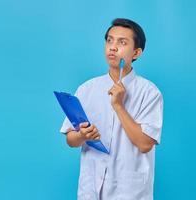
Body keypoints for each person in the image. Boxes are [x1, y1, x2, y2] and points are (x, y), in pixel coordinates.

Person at [60, 18, 163, 200]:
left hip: (129, 191)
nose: (113, 47)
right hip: (90, 190)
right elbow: (70, 140)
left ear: (136, 52)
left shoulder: (149, 92)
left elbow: (145, 144)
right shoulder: (86, 89)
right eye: (109, 40)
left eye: (122, 42)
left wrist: (118, 106)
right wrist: (82, 136)